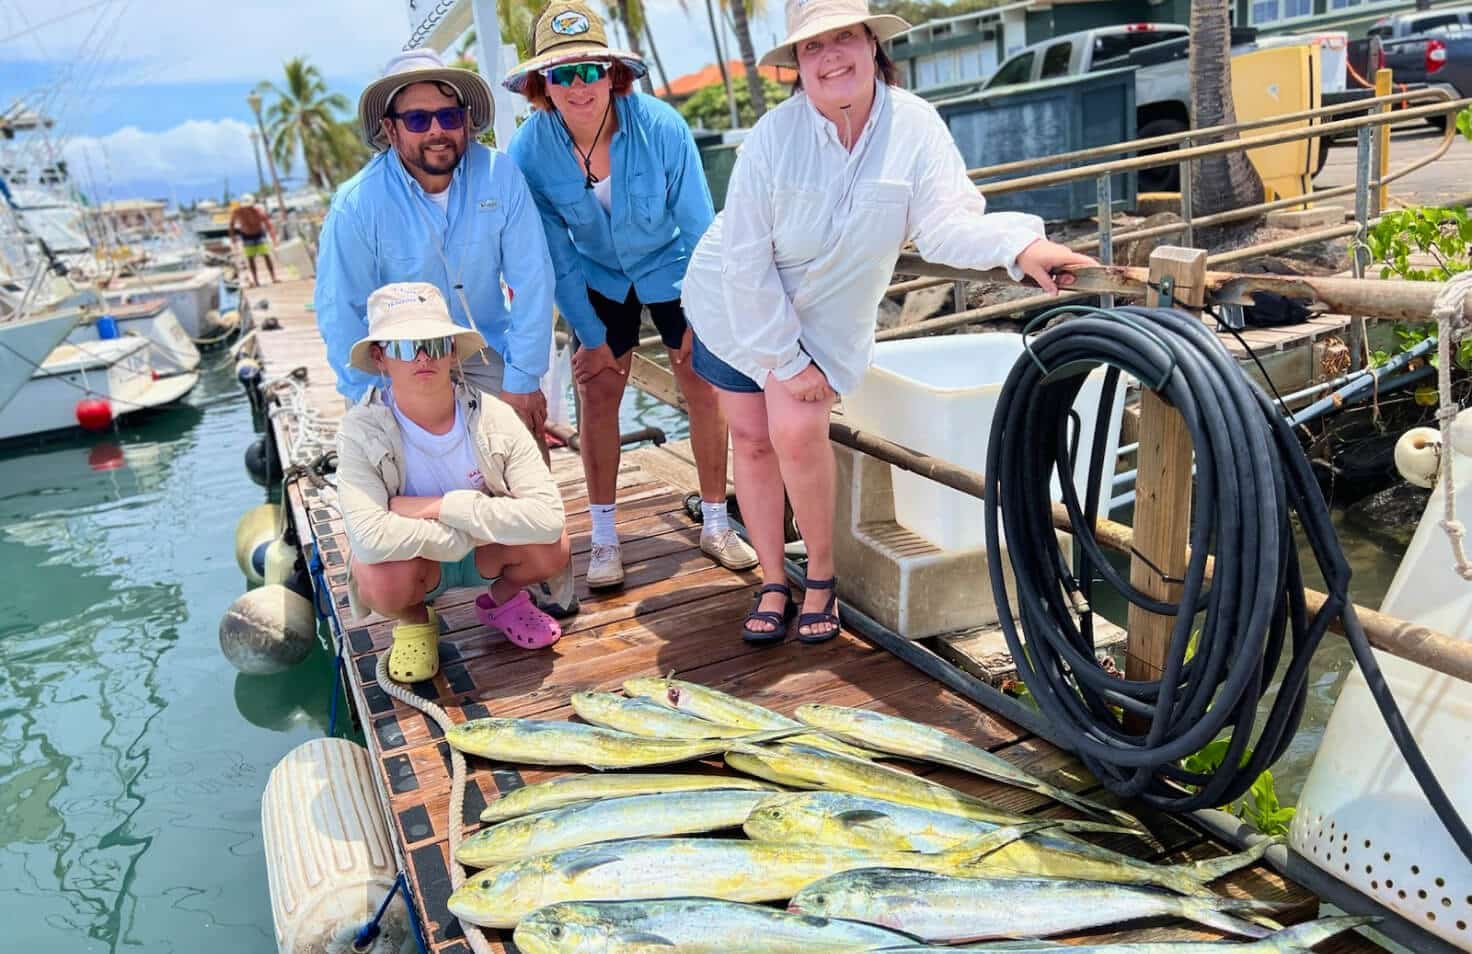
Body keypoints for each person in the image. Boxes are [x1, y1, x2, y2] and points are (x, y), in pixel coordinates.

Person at [681, 0, 1096, 646]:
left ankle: (820, 575)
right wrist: (787, 362)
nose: (831, 57)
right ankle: (770, 578)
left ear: (874, 44)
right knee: (752, 438)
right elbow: (744, 260)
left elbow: (945, 221)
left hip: (822, 317)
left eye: (844, 37)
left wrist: (1021, 248)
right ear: (797, 66)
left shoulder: (916, 127)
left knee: (795, 429)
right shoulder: (771, 139)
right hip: (732, 298)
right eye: (812, 48)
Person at [316, 48, 579, 617]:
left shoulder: (499, 174)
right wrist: (363, 394)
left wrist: (524, 376)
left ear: (466, 118)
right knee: (395, 473)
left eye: (448, 115)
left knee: (522, 451)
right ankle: (414, 596)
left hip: (487, 345)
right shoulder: (356, 204)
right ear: (390, 129)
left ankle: (531, 584)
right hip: (403, 354)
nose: (436, 130)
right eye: (417, 119)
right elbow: (341, 307)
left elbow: (533, 277)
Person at [503, 0, 756, 589]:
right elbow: (555, 254)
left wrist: (703, 317)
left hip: (673, 266)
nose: (577, 85)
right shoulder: (528, 152)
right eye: (561, 73)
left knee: (701, 382)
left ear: (611, 74)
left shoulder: (663, 127)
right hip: (595, 275)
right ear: (542, 84)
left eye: (589, 70)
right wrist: (591, 337)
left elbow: (699, 227)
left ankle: (717, 521)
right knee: (597, 391)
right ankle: (605, 536)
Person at [337, 283, 570, 684]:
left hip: (484, 549)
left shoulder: (493, 415)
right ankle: (414, 619)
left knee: (553, 547)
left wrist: (440, 508)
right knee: (377, 576)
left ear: (450, 351)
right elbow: (369, 538)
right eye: (406, 347)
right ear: (380, 358)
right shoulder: (358, 430)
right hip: (430, 556)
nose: (424, 356)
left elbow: (548, 516)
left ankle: (502, 600)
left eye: (434, 342)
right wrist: (461, 536)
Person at [228, 194, 277, 287]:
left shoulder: (258, 211)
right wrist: (233, 239)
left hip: (259, 234)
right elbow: (231, 224)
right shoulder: (237, 212)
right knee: (251, 258)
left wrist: (273, 238)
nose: (248, 208)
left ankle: (273, 277)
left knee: (266, 255)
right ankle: (256, 280)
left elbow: (268, 225)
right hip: (246, 236)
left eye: (250, 206)